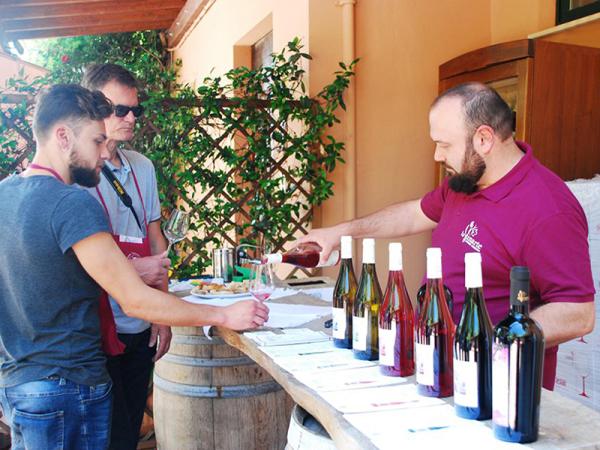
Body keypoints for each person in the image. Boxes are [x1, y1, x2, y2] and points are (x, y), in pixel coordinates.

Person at [0, 84, 268, 450]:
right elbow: (135, 301)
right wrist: (222, 315)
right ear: (63, 137)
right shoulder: (72, 204)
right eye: (96, 141)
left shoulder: (4, 196)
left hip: (20, 389)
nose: (102, 154)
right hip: (69, 388)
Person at [298, 82, 595, 390]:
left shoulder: (547, 210)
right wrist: (340, 232)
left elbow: (577, 313)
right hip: (437, 371)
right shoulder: (465, 182)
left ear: (484, 139)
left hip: (498, 388)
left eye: (444, 144)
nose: (438, 155)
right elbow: (413, 214)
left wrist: (484, 341)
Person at [80, 63, 170, 450]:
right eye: (121, 110)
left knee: (129, 430)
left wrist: (162, 314)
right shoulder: (79, 173)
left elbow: (155, 241)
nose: (131, 118)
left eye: (136, 110)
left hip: (138, 324)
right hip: (96, 329)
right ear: (95, 111)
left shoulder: (143, 168)